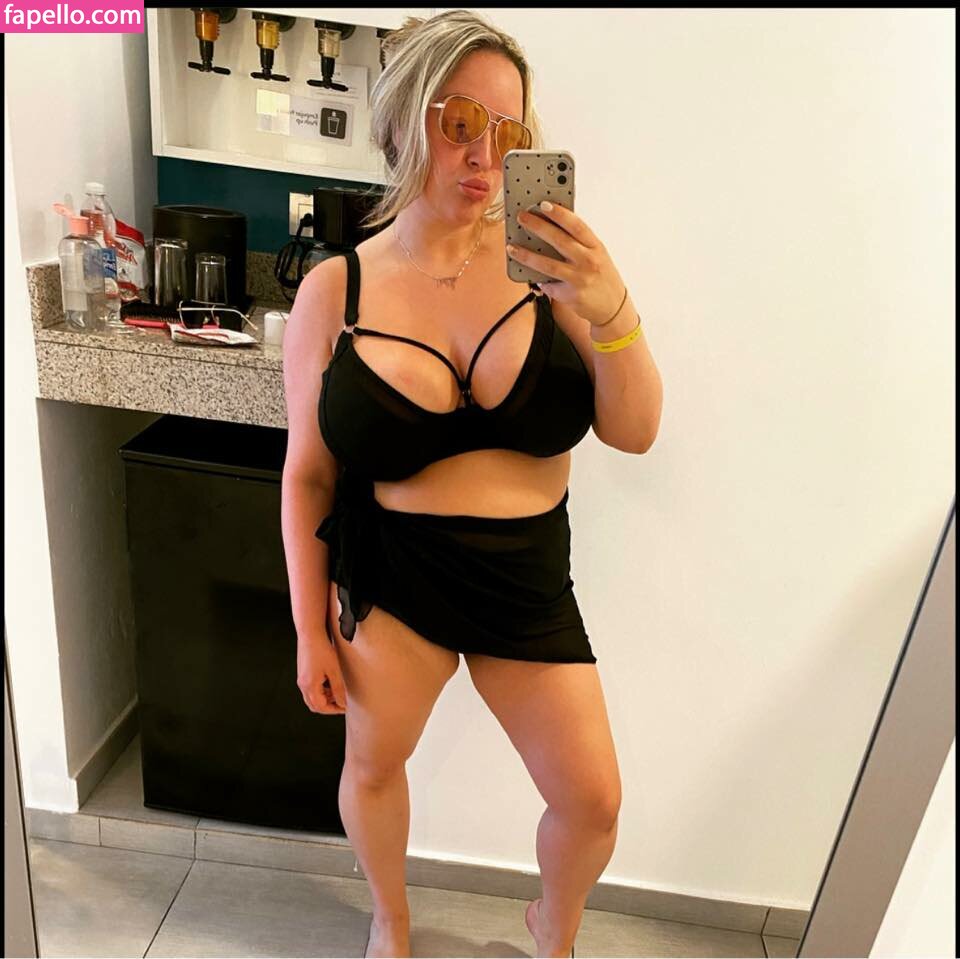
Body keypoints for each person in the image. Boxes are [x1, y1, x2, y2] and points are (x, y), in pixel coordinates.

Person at [281, 10, 663, 958]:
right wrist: (307, 628)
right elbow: (308, 475)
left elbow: (636, 430)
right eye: (459, 123)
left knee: (592, 799)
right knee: (374, 766)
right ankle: (391, 918)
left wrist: (611, 307)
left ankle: (552, 930)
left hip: (525, 581)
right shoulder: (335, 291)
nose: (485, 157)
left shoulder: (550, 268)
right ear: (404, 120)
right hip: (394, 580)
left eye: (509, 132)